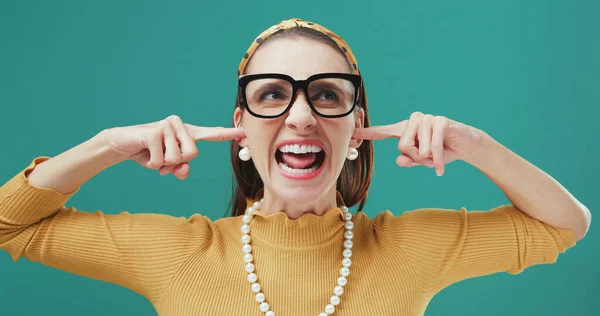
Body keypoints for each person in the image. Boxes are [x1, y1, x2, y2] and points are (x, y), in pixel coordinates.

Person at [0, 18, 591, 316]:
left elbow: (564, 226)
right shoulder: (183, 255)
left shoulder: (408, 248)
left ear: (356, 130)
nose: (302, 117)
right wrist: (105, 144)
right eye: (273, 95)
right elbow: (8, 225)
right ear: (240, 130)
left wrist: (475, 144)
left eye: (327, 95)